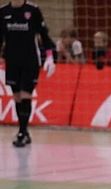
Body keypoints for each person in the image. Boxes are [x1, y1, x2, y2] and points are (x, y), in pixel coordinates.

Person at [0, 0, 56, 148]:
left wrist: (50, 57)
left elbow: (44, 35)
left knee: (25, 94)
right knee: (17, 96)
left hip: (30, 60)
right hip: (11, 60)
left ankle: (22, 132)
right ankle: (24, 131)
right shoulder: (3, 11)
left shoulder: (33, 10)